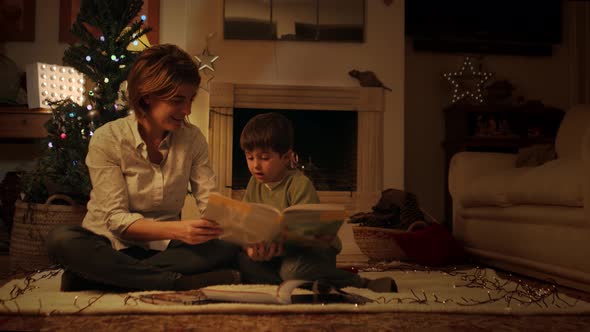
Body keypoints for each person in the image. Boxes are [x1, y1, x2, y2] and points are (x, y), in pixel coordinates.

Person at [46, 44, 240, 292]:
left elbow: (210, 201)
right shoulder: (108, 138)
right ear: (147, 96)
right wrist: (179, 229)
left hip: (164, 248)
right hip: (110, 244)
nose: (187, 110)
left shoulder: (193, 139)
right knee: (62, 240)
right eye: (178, 100)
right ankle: (174, 281)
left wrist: (242, 229)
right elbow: (116, 221)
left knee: (227, 247)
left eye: (190, 99)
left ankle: (100, 277)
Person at [237, 112, 397, 292]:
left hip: (312, 252)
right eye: (250, 157)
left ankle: (361, 283)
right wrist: (251, 246)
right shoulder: (253, 184)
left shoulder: (299, 184)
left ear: (286, 157)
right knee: (242, 261)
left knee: (292, 271)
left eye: (264, 158)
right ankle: (306, 283)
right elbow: (248, 225)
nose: (255, 165)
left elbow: (309, 235)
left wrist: (278, 246)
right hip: (278, 256)